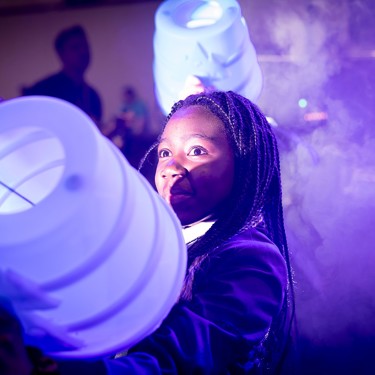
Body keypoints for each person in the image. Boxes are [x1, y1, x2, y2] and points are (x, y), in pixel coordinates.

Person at [0, 90, 294, 374]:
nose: (170, 167)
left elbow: (174, 362)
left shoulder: (253, 259)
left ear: (244, 163)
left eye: (197, 150)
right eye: (165, 152)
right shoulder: (152, 241)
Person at [22, 25, 102, 126]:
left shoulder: (93, 96)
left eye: (85, 46)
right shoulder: (43, 91)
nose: (83, 52)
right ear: (61, 54)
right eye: (75, 48)